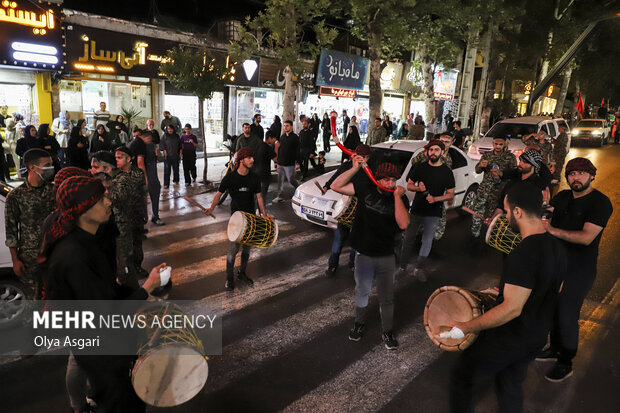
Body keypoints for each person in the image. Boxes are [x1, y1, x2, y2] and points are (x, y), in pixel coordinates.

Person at [41, 175, 165, 413]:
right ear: (82, 209)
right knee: (124, 404)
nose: (108, 202)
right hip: (101, 352)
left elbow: (106, 291)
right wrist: (146, 288)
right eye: (100, 199)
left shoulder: (88, 241)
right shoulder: (74, 256)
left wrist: (143, 295)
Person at [445, 181, 567, 413]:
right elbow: (553, 289)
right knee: (510, 384)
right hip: (537, 336)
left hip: (511, 337)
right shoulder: (556, 246)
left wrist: (466, 327)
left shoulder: (523, 252)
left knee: (462, 376)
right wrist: (506, 291)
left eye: (507, 210)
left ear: (518, 212)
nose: (506, 215)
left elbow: (512, 308)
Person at [538, 158, 613, 382]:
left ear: (592, 175)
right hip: (556, 263)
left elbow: (587, 237)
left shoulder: (600, 203)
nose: (576, 178)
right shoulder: (563, 196)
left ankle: (565, 361)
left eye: (581, 173)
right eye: (571, 174)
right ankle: (554, 348)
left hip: (580, 268)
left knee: (567, 315)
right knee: (551, 308)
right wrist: (543, 208)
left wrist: (551, 230)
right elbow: (547, 212)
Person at [331, 158, 410, 350]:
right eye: (386, 180)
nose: (391, 184)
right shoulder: (365, 187)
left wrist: (397, 197)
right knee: (362, 292)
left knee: (387, 297)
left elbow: (404, 224)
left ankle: (387, 331)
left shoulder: (399, 197)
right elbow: (336, 185)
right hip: (364, 254)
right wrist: (355, 168)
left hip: (386, 255)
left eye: (394, 180)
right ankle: (359, 324)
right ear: (378, 179)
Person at [204, 147, 272, 290]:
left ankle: (242, 273)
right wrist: (211, 208)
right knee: (233, 249)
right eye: (249, 158)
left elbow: (259, 197)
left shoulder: (254, 177)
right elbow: (218, 194)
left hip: (251, 218)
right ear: (241, 160)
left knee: (247, 249)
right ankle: (229, 279)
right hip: (236, 219)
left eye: (252, 157)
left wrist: (264, 215)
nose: (252, 160)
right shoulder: (230, 178)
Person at [399, 140, 455, 281]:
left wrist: (436, 199)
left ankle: (419, 268)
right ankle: (402, 266)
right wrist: (418, 188)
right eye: (431, 150)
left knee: (427, 241)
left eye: (436, 150)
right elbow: (409, 185)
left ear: (442, 152)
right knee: (408, 239)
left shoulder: (447, 172)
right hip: (417, 209)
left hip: (433, 212)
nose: (433, 152)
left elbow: (450, 194)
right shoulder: (420, 167)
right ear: (427, 152)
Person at [5, 148, 55, 299]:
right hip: (29, 259)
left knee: (55, 297)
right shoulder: (16, 196)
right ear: (32, 167)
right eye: (47, 165)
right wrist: (15, 260)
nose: (51, 168)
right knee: (32, 300)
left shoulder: (54, 190)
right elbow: (11, 231)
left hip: (53, 253)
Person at [323, 144, 371, 278]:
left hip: (362, 210)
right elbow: (336, 178)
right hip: (347, 208)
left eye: (364, 157)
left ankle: (352, 264)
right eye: (359, 156)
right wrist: (327, 186)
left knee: (356, 242)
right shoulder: (346, 167)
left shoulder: (370, 170)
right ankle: (332, 265)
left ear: (368, 158)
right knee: (339, 239)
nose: (362, 159)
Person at [469, 136, 517, 244]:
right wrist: (480, 165)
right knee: (478, 210)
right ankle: (474, 234)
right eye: (496, 144)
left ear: (505, 144)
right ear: (492, 143)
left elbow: (514, 174)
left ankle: (491, 236)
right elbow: (477, 170)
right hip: (485, 188)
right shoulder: (487, 155)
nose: (498, 146)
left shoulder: (510, 157)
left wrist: (501, 174)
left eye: (501, 144)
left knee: (494, 215)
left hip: (499, 190)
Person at [116, 146, 149, 285]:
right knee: (123, 247)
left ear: (128, 159)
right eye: (116, 157)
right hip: (121, 218)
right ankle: (125, 273)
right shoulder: (115, 175)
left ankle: (137, 266)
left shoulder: (138, 173)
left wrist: (145, 211)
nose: (116, 160)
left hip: (136, 215)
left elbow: (143, 194)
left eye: (119, 157)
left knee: (137, 243)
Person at [134, 130, 163, 226]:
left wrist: (158, 154)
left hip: (153, 175)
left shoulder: (153, 145)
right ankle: (141, 221)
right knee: (141, 199)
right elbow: (140, 163)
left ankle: (155, 216)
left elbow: (160, 158)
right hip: (145, 175)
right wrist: (145, 178)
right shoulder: (141, 146)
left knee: (155, 193)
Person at [272, 120, 300, 203]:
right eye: (284, 126)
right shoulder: (282, 137)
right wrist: (276, 161)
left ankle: (300, 189)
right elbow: (280, 149)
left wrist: (298, 162)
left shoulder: (295, 137)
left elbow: (298, 151)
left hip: (289, 163)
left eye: (287, 126)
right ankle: (280, 196)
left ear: (291, 127)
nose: (285, 127)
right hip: (281, 162)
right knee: (280, 180)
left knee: (291, 179)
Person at [254, 130, 277, 202]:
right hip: (265, 174)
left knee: (257, 194)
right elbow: (275, 159)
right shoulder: (267, 148)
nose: (275, 140)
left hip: (256, 173)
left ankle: (256, 209)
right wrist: (276, 147)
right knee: (262, 195)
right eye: (274, 139)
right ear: (270, 138)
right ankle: (261, 210)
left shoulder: (259, 145)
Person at [159, 125, 181, 189]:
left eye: (171, 129)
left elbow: (180, 145)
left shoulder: (176, 136)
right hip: (167, 156)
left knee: (176, 169)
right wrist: (164, 150)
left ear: (173, 129)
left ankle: (176, 180)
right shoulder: (165, 136)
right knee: (167, 170)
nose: (170, 130)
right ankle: (166, 184)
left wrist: (180, 152)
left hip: (175, 155)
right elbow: (161, 144)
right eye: (168, 129)